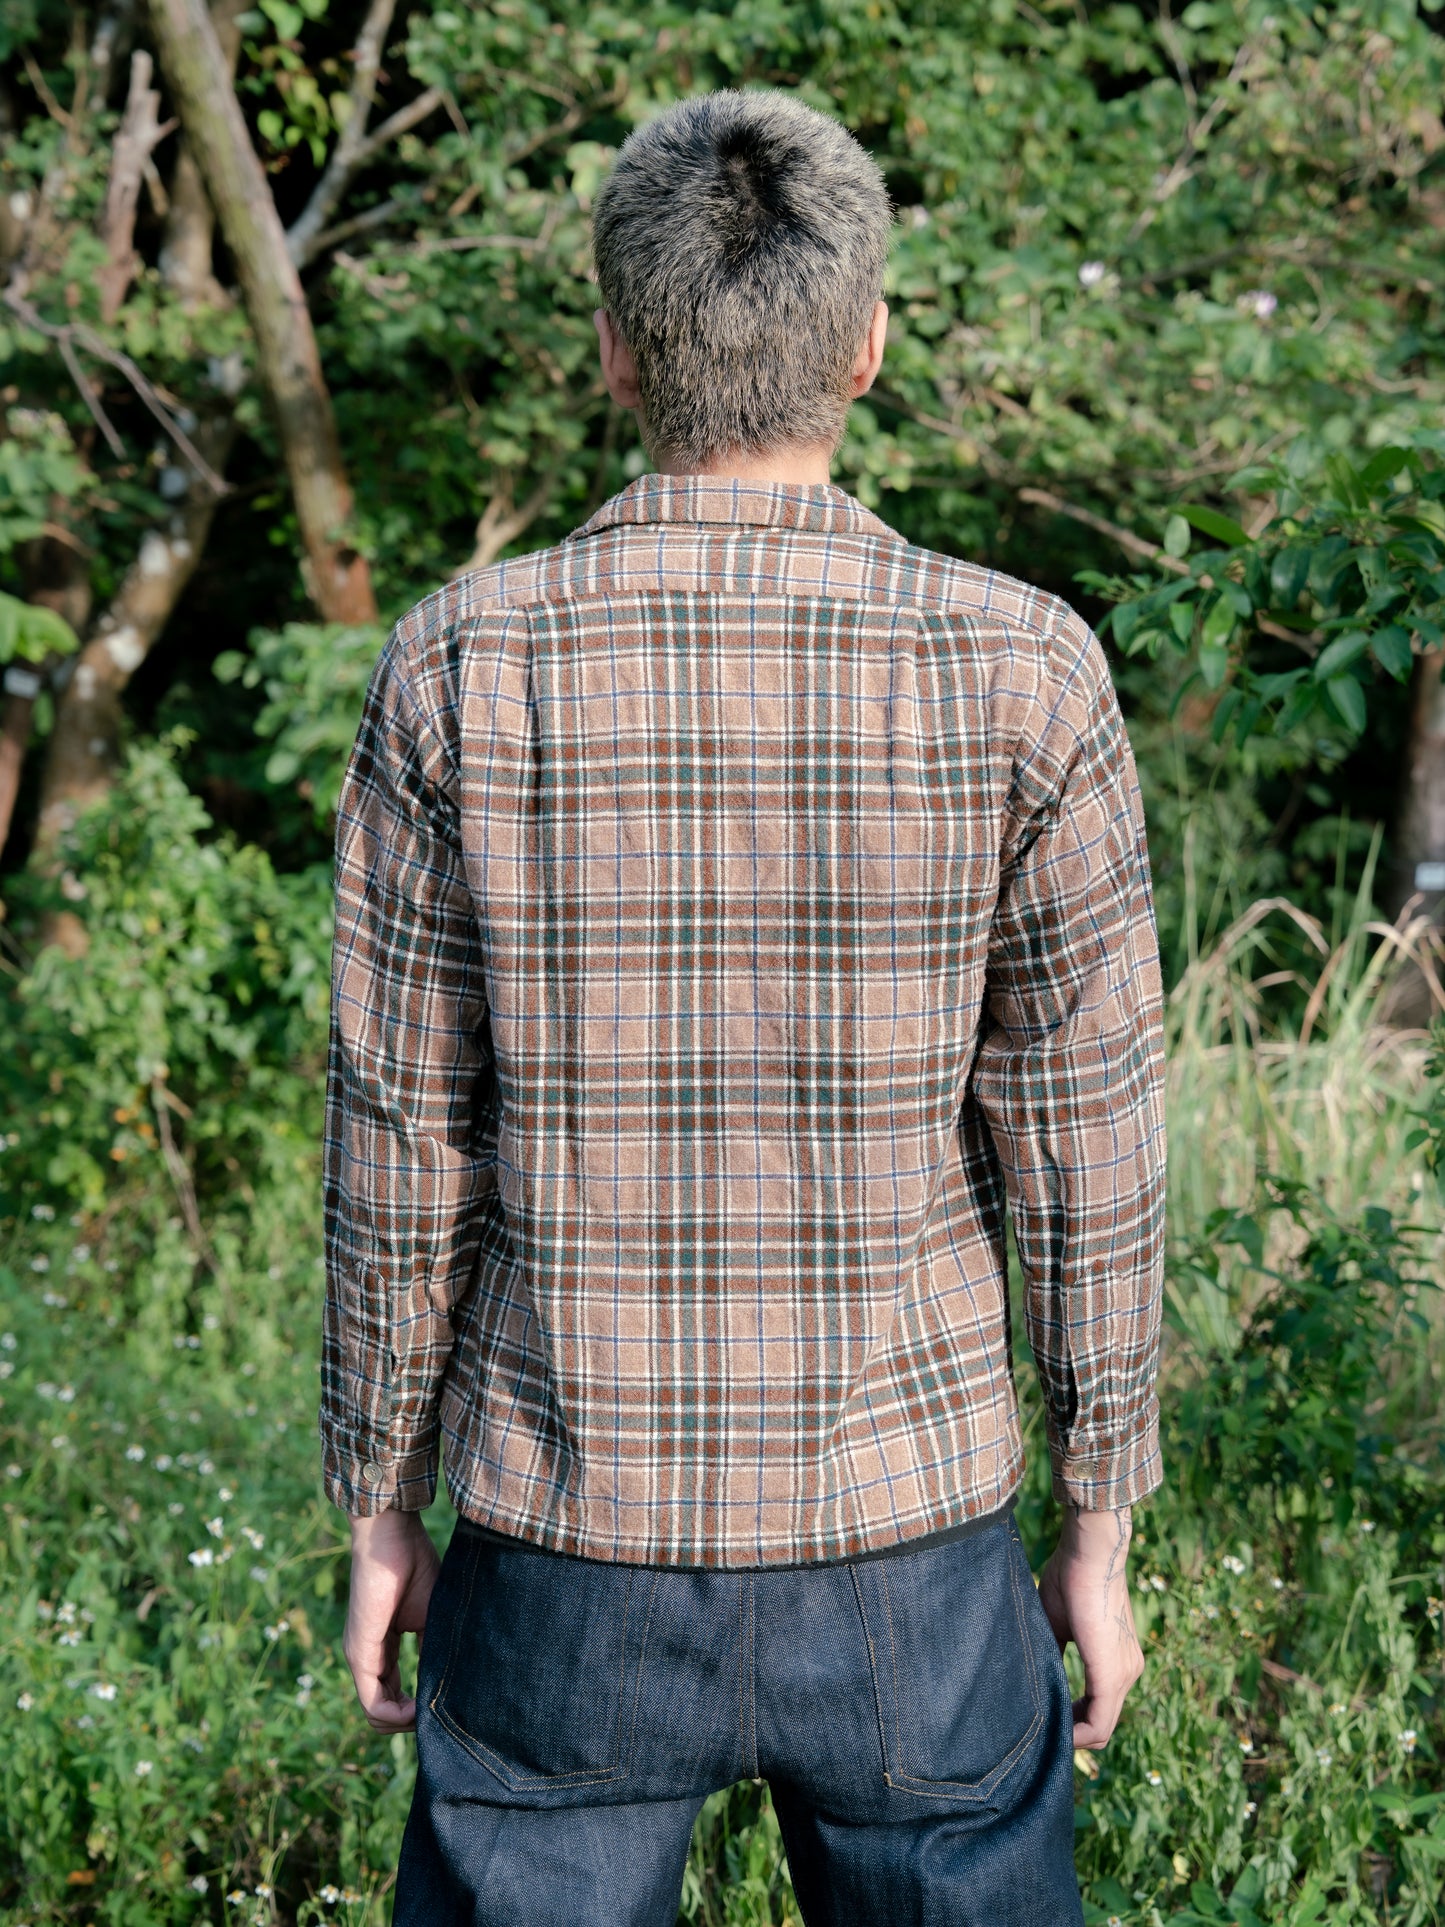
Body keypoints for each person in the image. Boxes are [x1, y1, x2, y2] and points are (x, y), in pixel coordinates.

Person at [321, 87, 1166, 1927]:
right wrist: (1097, 1525)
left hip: (567, 1534)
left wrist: (380, 1499)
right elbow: (1089, 1140)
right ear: (867, 344)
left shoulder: (456, 666)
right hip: (913, 1550)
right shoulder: (1027, 667)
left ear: (615, 350)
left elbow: (401, 1138)